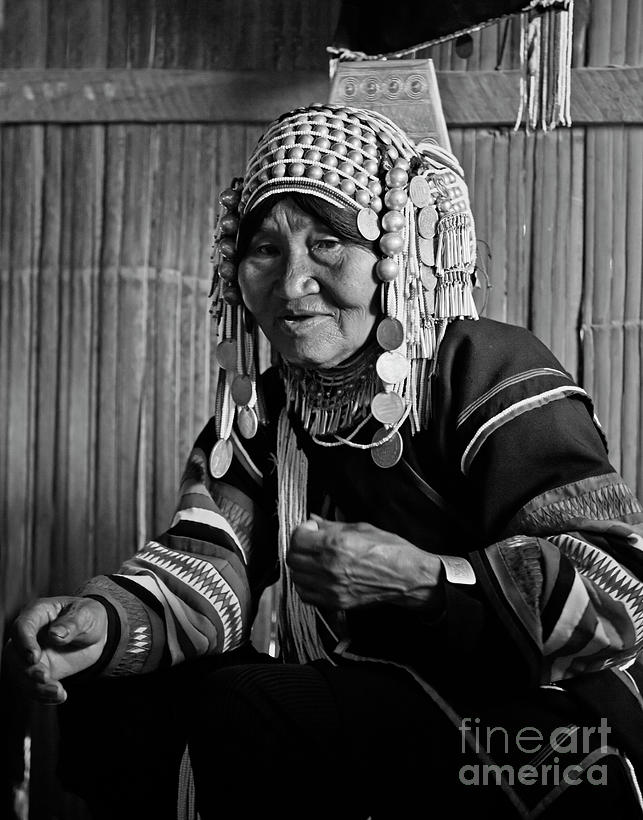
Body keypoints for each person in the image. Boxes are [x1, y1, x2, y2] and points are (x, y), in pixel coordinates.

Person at [6, 103, 643, 820]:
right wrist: (103, 620)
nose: (291, 282)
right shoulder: (270, 407)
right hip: (369, 694)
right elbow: (207, 562)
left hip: (540, 720)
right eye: (265, 250)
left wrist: (426, 582)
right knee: (114, 691)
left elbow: (617, 594)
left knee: (249, 709)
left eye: (326, 244)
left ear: (394, 254)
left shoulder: (486, 367)